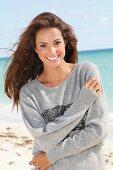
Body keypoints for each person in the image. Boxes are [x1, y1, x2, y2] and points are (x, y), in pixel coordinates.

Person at [4, 12, 108, 170]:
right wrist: (82, 102)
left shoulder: (86, 72)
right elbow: (45, 140)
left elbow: (97, 131)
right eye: (43, 45)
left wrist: (51, 156)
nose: (52, 51)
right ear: (36, 49)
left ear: (65, 43)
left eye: (57, 42)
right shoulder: (30, 93)